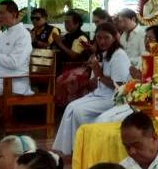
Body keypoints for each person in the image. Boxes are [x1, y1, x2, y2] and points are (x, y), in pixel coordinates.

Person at [52, 23, 131, 156]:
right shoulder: (103, 54)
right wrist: (93, 74)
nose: (102, 41)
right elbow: (97, 82)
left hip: (114, 97)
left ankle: (87, 149)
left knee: (79, 111)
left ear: (115, 38)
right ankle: (72, 149)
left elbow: (120, 87)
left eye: (106, 38)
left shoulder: (119, 55)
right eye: (99, 38)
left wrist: (98, 73)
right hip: (101, 94)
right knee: (71, 107)